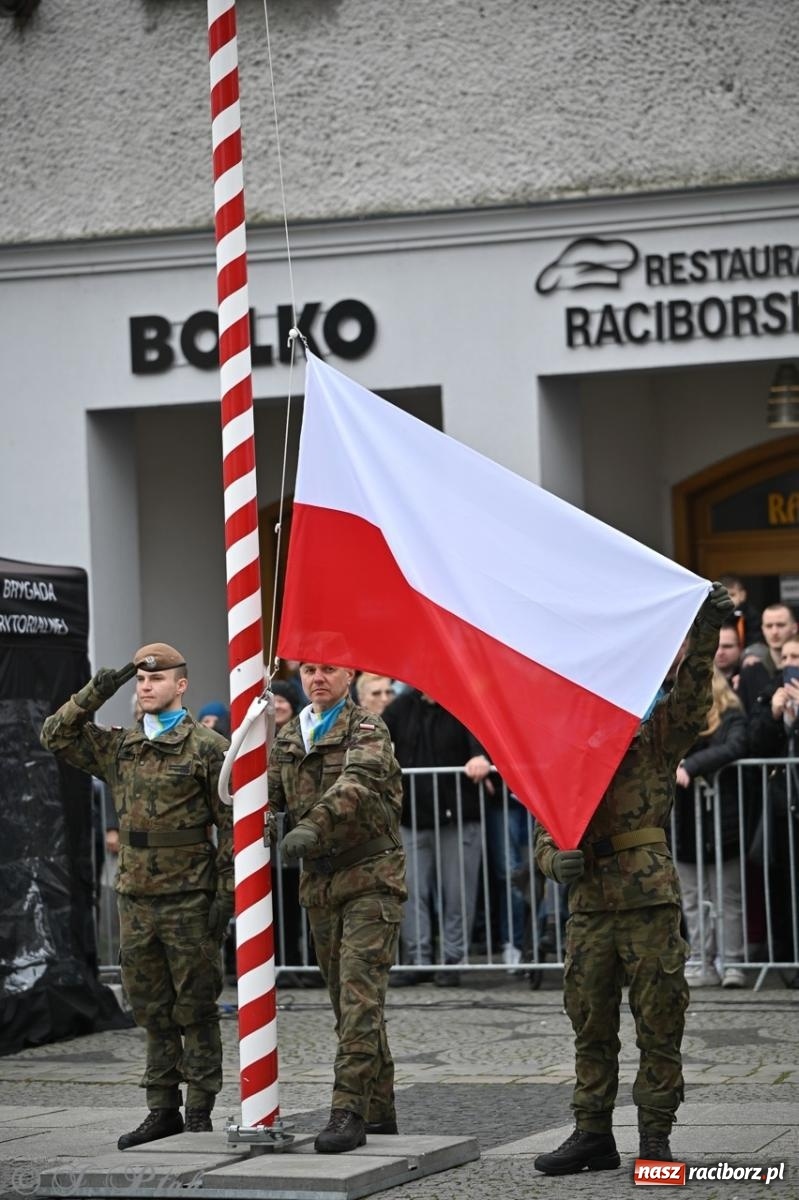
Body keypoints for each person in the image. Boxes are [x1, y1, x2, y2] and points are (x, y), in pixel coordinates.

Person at [532, 582, 733, 1175]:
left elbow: (696, 696)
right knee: (589, 1025)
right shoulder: (569, 746)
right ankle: (592, 1133)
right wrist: (553, 862)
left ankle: (656, 1139)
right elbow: (545, 829)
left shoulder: (655, 736)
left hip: (647, 899)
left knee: (658, 1021)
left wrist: (704, 629)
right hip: (590, 904)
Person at [40, 643, 233, 1150]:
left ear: (181, 685)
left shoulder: (208, 748)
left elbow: (232, 827)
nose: (145, 687)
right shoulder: (121, 746)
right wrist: (98, 689)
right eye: (140, 681)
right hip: (136, 897)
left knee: (195, 1006)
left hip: (189, 897)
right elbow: (54, 734)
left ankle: (199, 1110)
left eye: (156, 679)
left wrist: (226, 896)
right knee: (150, 1007)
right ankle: (161, 1108)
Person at [267, 661, 407, 1154]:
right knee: (348, 1004)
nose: (317, 678)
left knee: (358, 998)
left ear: (349, 676)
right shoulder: (289, 737)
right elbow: (267, 795)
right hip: (321, 886)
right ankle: (382, 1112)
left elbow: (358, 783)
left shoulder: (367, 726)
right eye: (308, 670)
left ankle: (348, 1110)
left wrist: (312, 825)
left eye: (328, 669)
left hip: (371, 877)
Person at [382, 689, 492, 986]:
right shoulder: (401, 707)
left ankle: (453, 959)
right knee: (412, 892)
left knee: (458, 892)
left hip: (458, 815)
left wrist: (481, 756)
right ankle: (419, 959)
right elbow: (377, 739)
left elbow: (486, 742)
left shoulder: (465, 703)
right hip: (412, 817)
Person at [673, 668, 749, 988]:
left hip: (723, 822)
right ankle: (701, 960)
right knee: (691, 897)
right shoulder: (681, 724)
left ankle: (733, 961)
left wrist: (691, 765)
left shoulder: (732, 718)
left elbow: (735, 747)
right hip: (687, 823)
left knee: (727, 897)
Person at [747, 635, 799, 978]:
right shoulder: (770, 691)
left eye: (797, 655)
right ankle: (787, 962)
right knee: (782, 887)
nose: (790, 661)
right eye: (787, 656)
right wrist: (776, 713)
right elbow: (755, 741)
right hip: (784, 806)